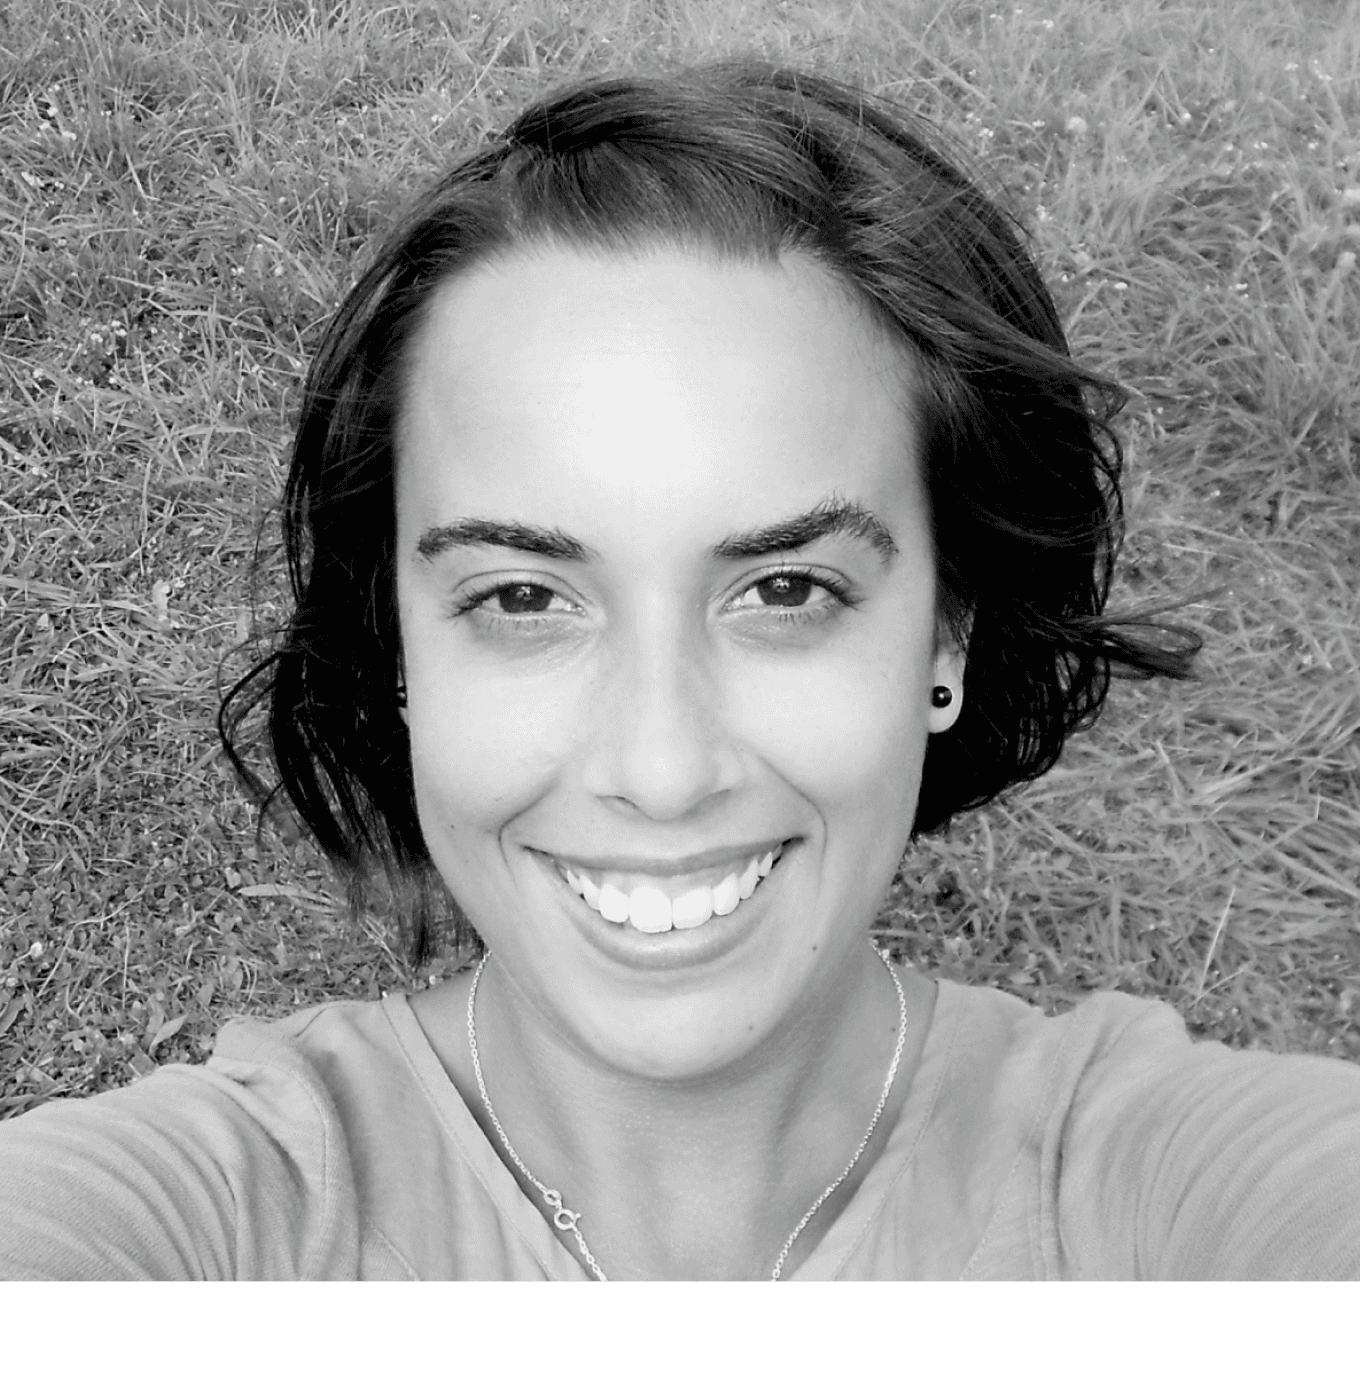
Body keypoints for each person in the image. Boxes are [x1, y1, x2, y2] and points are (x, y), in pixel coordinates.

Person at [1, 62, 1357, 1282]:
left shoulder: (1159, 1189)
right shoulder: (215, 1220)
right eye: (521, 597)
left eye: (786, 590)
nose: (660, 770)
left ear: (946, 632)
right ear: (402, 644)